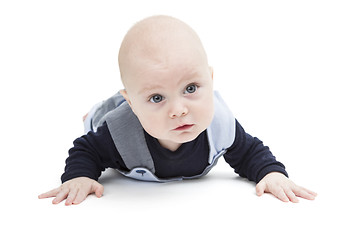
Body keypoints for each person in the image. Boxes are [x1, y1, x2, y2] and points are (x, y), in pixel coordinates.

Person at [38, 15, 317, 205]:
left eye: (192, 88)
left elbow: (249, 151)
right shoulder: (118, 133)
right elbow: (86, 150)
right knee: (100, 118)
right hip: (116, 116)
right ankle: (102, 109)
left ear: (210, 79)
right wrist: (79, 176)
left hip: (136, 105)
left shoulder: (219, 123)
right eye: (158, 97)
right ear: (134, 104)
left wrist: (271, 172)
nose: (179, 110)